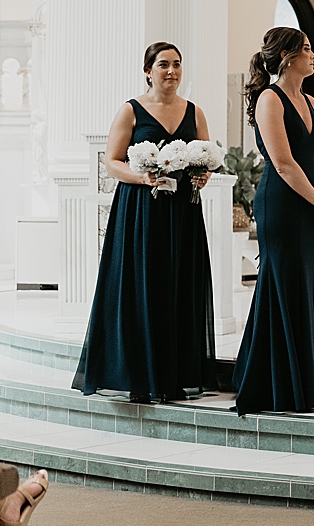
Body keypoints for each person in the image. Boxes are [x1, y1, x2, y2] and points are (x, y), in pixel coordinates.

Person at [74, 43, 219, 403]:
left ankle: (177, 372)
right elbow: (112, 161)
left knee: (179, 284)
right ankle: (139, 371)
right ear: (148, 70)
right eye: (164, 65)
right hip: (141, 210)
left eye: (177, 65)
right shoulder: (131, 110)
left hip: (182, 212)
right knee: (143, 285)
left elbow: (204, 158)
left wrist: (203, 177)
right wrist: (144, 178)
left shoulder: (195, 112)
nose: (171, 71)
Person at [233, 28, 314, 415]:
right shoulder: (271, 98)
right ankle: (279, 382)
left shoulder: (311, 102)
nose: (313, 55)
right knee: (283, 284)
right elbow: (283, 164)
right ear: (286, 56)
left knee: (309, 283)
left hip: (311, 202)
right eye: (306, 49)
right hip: (283, 206)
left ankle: (312, 380)